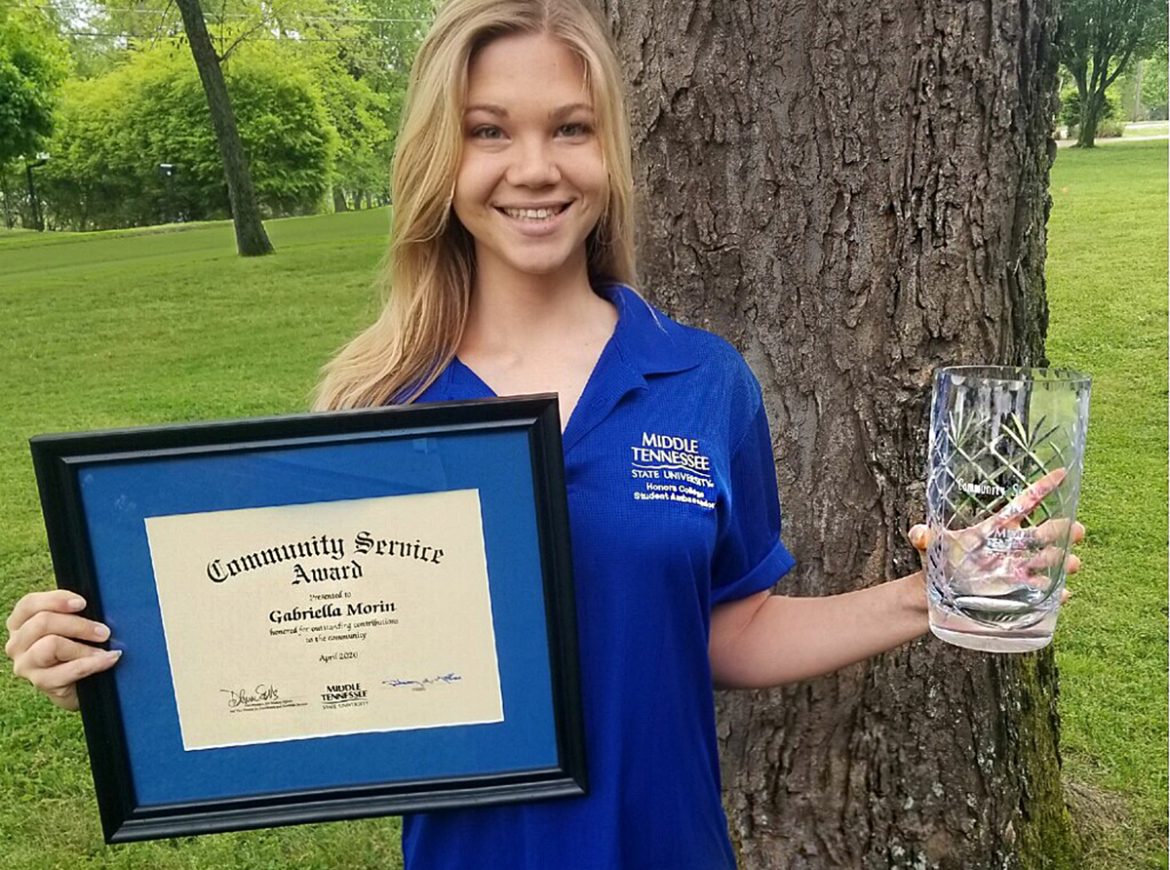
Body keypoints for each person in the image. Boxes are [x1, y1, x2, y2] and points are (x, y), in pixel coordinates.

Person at [4, 1, 1083, 867]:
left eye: (570, 128)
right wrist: (113, 664)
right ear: (441, 159)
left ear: (609, 153)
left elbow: (724, 630)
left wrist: (926, 594)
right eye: (489, 131)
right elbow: (303, 644)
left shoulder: (702, 382)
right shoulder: (377, 407)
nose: (534, 168)